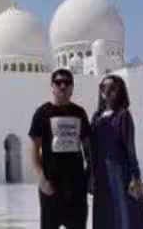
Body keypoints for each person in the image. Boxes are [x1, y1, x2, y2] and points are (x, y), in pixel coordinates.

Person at [28, 68, 91, 229]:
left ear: (72, 88)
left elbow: (88, 148)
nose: (63, 85)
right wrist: (42, 179)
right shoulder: (42, 113)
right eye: (58, 82)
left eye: (67, 82)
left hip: (76, 185)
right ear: (52, 86)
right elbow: (34, 149)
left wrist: (90, 176)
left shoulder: (79, 113)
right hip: (51, 185)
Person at [90, 74, 143, 229]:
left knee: (122, 213)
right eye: (103, 87)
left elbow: (130, 147)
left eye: (112, 88)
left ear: (120, 91)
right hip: (101, 172)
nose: (107, 91)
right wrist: (90, 174)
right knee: (104, 213)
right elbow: (91, 147)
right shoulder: (96, 117)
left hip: (119, 171)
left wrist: (135, 176)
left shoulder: (123, 115)